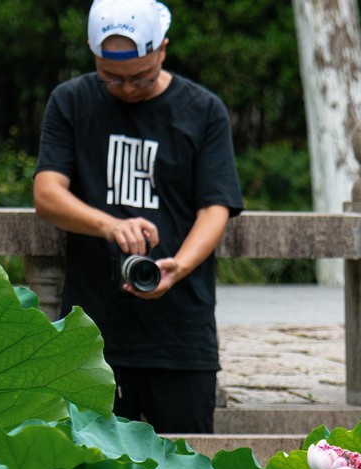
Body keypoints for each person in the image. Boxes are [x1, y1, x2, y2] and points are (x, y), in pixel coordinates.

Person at [34, 0, 243, 433]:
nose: (126, 88)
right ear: (93, 56)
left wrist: (179, 266)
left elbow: (215, 208)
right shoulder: (70, 101)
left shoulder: (203, 111)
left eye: (140, 77)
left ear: (163, 49)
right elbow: (47, 194)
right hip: (91, 332)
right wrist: (108, 225)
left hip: (180, 331)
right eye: (111, 78)